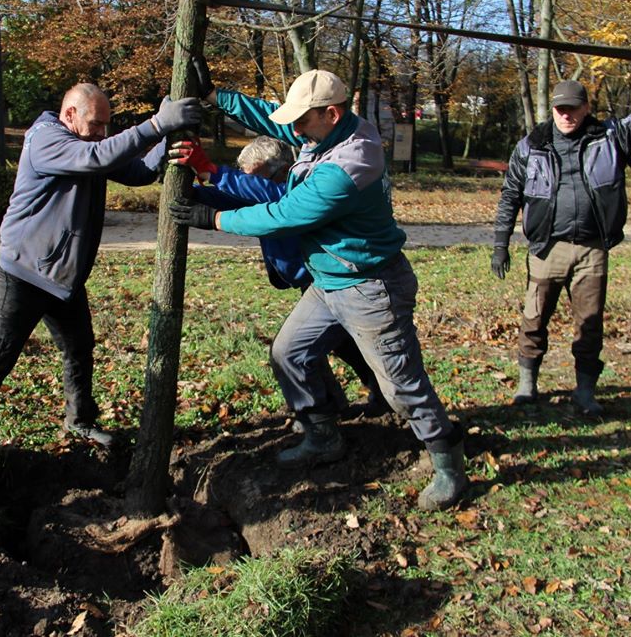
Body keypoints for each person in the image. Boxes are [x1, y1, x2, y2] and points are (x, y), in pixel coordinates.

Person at [170, 58, 466, 511]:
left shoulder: (348, 165)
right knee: (289, 353)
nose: (297, 130)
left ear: (330, 113)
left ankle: (448, 463)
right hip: (328, 282)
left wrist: (214, 218)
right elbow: (271, 115)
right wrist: (216, 97)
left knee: (401, 386)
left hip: (369, 287)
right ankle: (323, 436)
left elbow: (283, 215)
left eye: (303, 121)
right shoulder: (330, 128)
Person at [0, 84, 204, 471]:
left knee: (79, 348)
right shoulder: (47, 140)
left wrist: (167, 136)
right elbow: (95, 157)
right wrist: (157, 123)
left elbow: (139, 170)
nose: (102, 133)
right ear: (69, 115)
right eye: (96, 124)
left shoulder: (90, 144)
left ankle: (79, 421)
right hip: (24, 273)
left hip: (64, 278)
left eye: (107, 126)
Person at [171, 135, 390, 418]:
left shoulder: (296, 188)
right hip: (312, 284)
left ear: (279, 169)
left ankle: (361, 402)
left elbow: (267, 194)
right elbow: (236, 197)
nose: (248, 181)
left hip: (332, 281)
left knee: (320, 346)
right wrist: (195, 194)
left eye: (253, 175)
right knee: (331, 345)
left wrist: (213, 172)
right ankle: (340, 401)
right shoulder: (263, 188)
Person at [492, 80, 631, 415]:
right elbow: (510, 196)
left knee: (590, 323)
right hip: (546, 250)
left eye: (573, 108)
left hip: (591, 250)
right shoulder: (531, 146)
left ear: (586, 108)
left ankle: (584, 392)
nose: (566, 115)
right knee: (534, 319)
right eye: (560, 108)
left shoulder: (610, 137)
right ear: (552, 109)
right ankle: (527, 384)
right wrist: (500, 245)